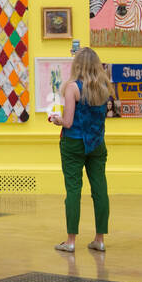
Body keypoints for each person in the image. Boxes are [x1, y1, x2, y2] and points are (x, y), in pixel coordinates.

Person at [49, 48, 114, 252]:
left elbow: (68, 122)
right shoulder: (104, 86)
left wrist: (55, 119)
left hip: (73, 144)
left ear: (77, 65)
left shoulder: (72, 88)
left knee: (73, 190)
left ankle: (70, 241)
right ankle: (100, 239)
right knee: (100, 189)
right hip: (97, 143)